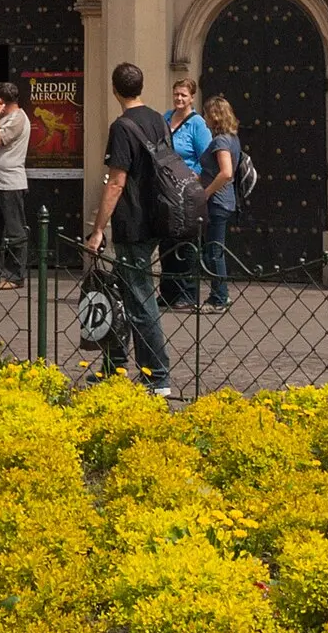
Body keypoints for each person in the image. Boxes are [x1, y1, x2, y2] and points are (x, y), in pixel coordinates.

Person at [84, 61, 171, 394]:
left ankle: (157, 376)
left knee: (139, 298)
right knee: (120, 293)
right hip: (157, 216)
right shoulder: (158, 121)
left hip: (133, 220)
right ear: (141, 86)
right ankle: (114, 364)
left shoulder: (122, 127)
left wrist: (98, 229)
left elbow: (117, 181)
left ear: (115, 89)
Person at [160, 77, 212, 309]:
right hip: (166, 189)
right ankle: (168, 292)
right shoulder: (165, 119)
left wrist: (193, 180)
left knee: (187, 243)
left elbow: (207, 157)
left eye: (184, 95)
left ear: (192, 97)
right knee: (167, 241)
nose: (179, 99)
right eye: (176, 94)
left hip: (187, 191)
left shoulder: (197, 124)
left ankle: (188, 294)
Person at [0, 79, 31, 288]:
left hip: (10, 182)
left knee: (15, 230)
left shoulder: (18, 118)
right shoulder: (5, 117)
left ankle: (15, 276)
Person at [199, 93, 239, 309]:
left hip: (218, 201)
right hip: (223, 200)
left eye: (206, 113)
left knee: (214, 250)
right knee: (215, 249)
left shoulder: (222, 141)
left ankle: (220, 297)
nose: (204, 117)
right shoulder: (232, 138)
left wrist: (206, 192)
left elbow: (226, 172)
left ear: (214, 116)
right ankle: (219, 294)